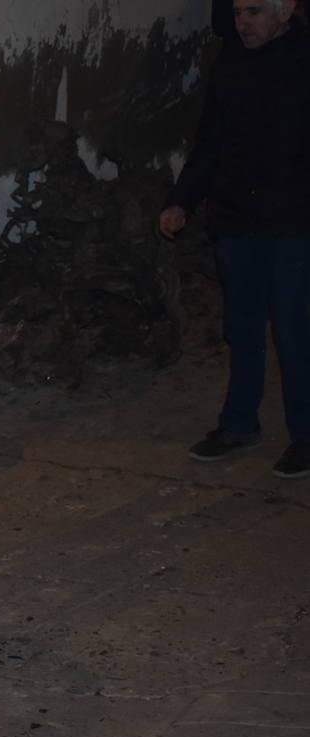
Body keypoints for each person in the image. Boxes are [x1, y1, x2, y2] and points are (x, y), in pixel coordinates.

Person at [159, 0, 310, 479]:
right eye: (239, 11)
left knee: (294, 332)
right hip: (236, 218)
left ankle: (306, 436)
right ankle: (239, 424)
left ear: (286, 10)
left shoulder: (304, 63)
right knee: (242, 327)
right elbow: (211, 141)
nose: (243, 21)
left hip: (294, 222)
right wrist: (181, 199)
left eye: (255, 11)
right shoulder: (231, 62)